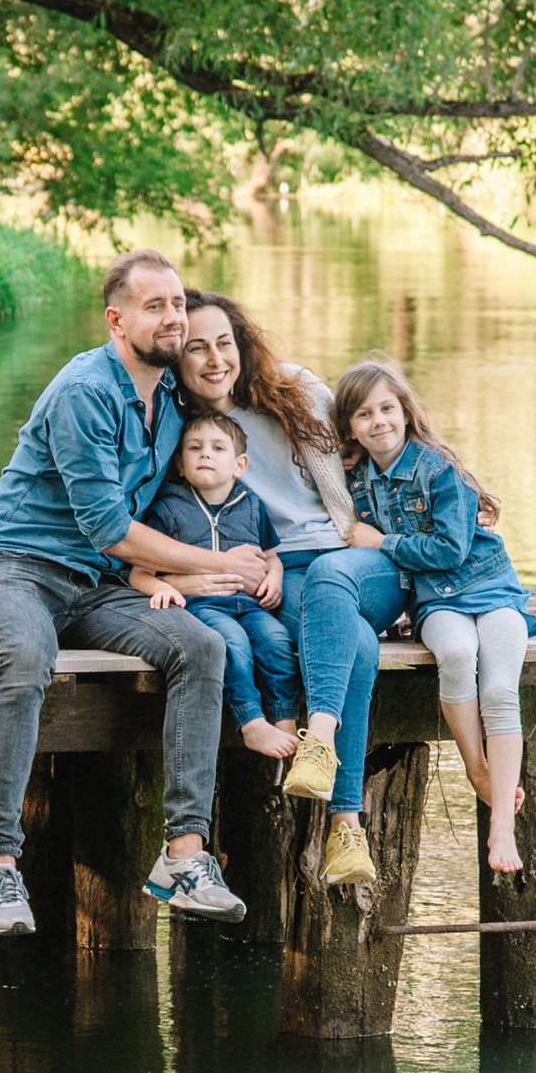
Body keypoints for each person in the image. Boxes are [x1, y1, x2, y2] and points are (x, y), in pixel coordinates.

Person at [0, 250, 272, 936]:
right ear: (116, 319)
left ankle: (185, 857)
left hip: (100, 584)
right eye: (154, 306)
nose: (172, 318)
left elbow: (237, 410)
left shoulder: (168, 400)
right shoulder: (85, 389)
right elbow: (108, 526)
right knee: (25, 658)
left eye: (177, 305)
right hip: (17, 565)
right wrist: (218, 563)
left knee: (199, 646)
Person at [171, 291, 401, 887]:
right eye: (197, 347)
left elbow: (386, 445)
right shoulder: (180, 426)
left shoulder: (296, 389)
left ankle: (322, 750)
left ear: (242, 344)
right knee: (361, 647)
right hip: (287, 571)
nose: (215, 358)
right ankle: (346, 829)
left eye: (225, 342)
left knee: (332, 581)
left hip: (354, 553)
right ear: (177, 356)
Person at [330, 356, 536, 873]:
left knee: (497, 687)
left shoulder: (437, 467)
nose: (378, 421)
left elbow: (449, 548)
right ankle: (476, 768)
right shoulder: (356, 482)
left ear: (405, 412)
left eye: (387, 408)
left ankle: (501, 830)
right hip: (437, 600)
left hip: (490, 587)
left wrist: (382, 541)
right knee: (454, 652)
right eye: (364, 414)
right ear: (351, 428)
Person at [125, 412, 303, 759]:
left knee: (276, 641)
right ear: (180, 463)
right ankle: (251, 721)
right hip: (203, 607)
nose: (205, 454)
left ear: (239, 464)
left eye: (217, 447)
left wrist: (275, 579)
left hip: (250, 605)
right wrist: (159, 588)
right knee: (231, 643)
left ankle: (284, 718)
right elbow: (138, 573)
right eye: (195, 447)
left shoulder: (250, 504)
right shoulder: (169, 509)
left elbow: (271, 556)